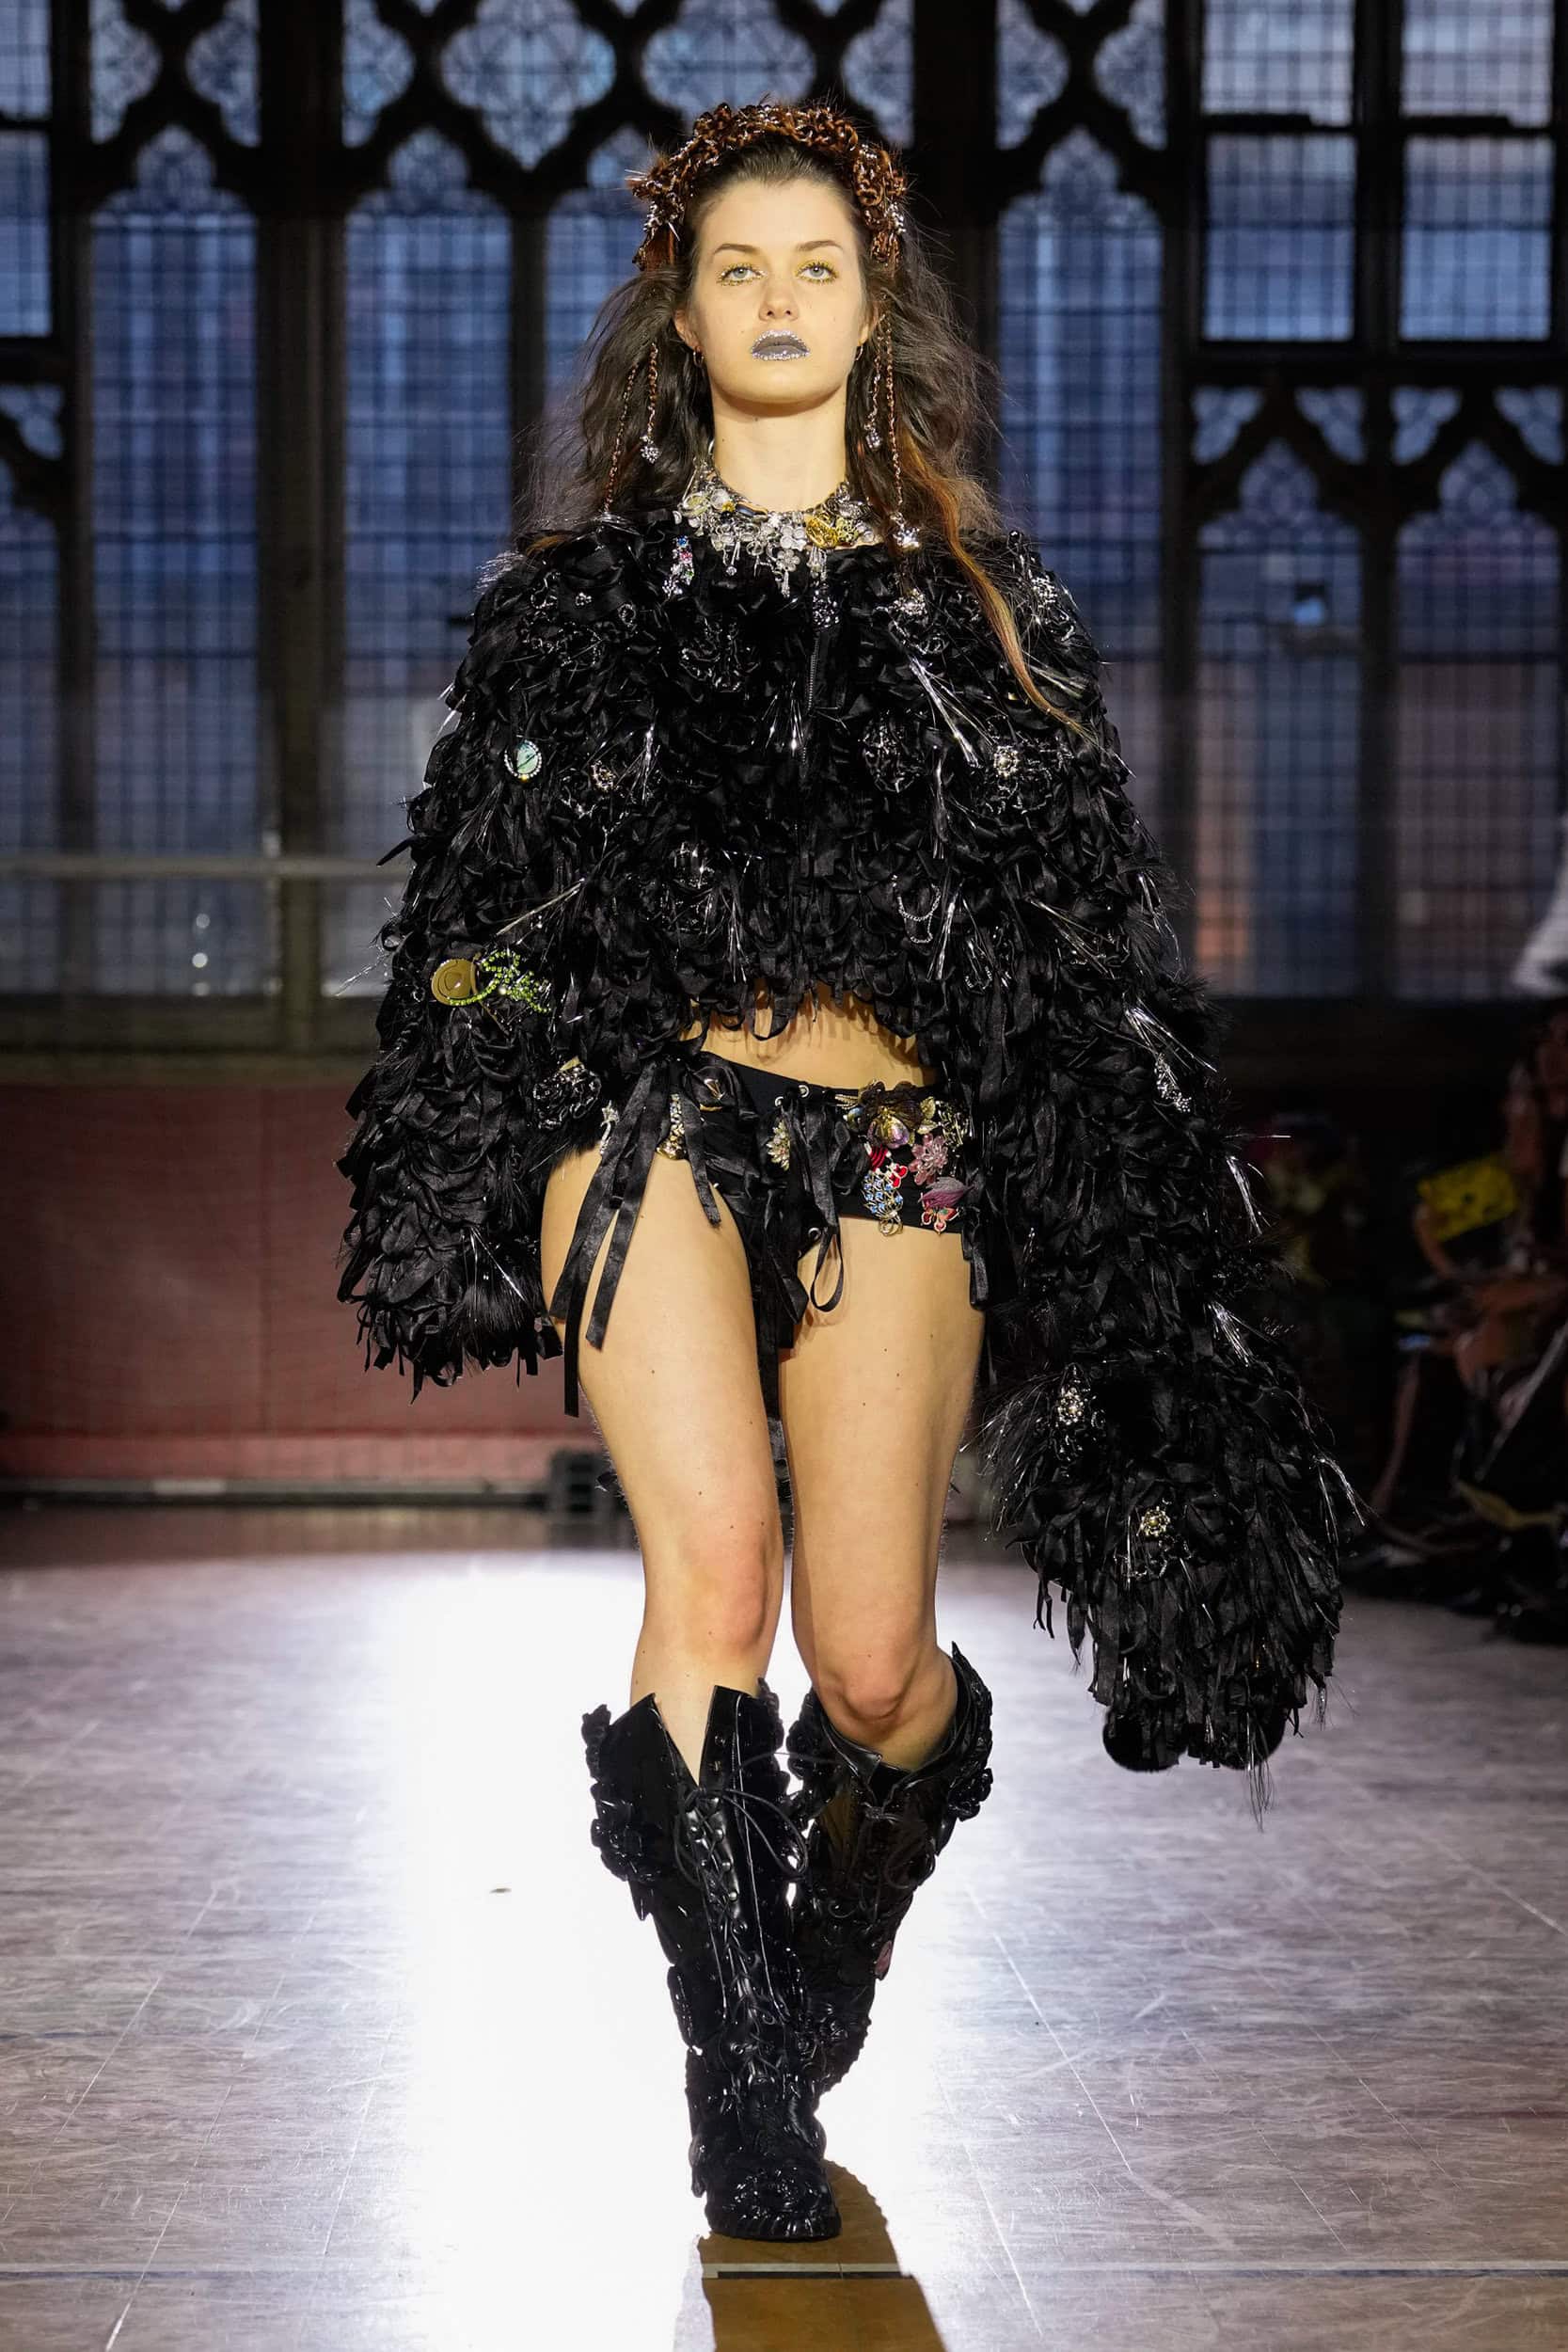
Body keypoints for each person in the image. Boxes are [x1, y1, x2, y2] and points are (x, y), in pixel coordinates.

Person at [335, 99, 1357, 2243]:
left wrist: (1151, 1318)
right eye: (741, 268)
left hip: (906, 1144)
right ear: (685, 315)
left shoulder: (997, 617)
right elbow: (482, 926)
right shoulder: (573, 615)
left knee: (876, 1661)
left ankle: (821, 1956)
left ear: (876, 305)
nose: (780, 298)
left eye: (817, 265)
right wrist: (469, 1149)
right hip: (652, 1127)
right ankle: (740, 2090)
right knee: (711, 1573)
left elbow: (1091, 982)